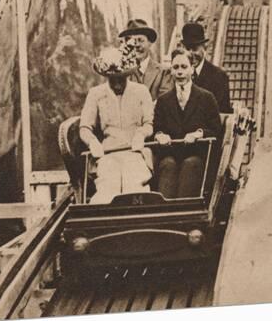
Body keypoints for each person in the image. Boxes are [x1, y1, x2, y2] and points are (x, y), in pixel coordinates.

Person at [80, 45, 154, 204]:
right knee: (107, 188)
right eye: (113, 79)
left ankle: (138, 223)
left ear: (128, 75)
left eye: (122, 78)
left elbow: (149, 123)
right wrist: (92, 142)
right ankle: (106, 226)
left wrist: (141, 134)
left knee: (134, 187)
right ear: (106, 77)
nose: (117, 83)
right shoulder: (96, 94)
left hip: (134, 152)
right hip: (108, 154)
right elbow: (84, 127)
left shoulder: (141, 91)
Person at [153, 48, 222, 199]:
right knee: (167, 165)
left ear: (192, 69)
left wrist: (199, 134)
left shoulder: (206, 98)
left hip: (197, 154)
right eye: (175, 67)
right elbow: (157, 128)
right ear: (171, 70)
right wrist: (159, 135)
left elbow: (216, 129)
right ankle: (163, 213)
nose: (179, 72)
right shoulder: (163, 101)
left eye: (184, 67)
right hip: (171, 153)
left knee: (191, 164)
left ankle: (185, 212)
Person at [181, 22, 232, 113]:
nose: (191, 54)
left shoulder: (219, 77)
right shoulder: (176, 74)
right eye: (188, 49)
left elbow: (222, 113)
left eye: (195, 49)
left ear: (205, 47)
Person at [118, 19, 172, 101]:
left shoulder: (163, 72)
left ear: (149, 43)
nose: (137, 45)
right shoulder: (121, 74)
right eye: (133, 42)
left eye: (141, 40)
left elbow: (164, 104)